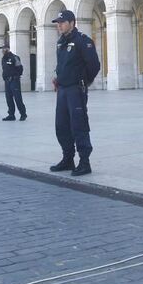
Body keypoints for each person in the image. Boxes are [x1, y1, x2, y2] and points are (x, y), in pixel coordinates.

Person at [48, 10, 101, 176]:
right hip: (62, 90)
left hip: (75, 90)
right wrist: (59, 78)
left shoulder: (83, 41)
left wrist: (83, 81)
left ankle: (85, 162)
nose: (59, 25)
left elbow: (94, 65)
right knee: (61, 126)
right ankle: (68, 158)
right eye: (57, 23)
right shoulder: (60, 42)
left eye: (62, 22)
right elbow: (63, 65)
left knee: (79, 125)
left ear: (72, 22)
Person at [0, 43, 27, 121]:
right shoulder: (3, 59)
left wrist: (16, 76)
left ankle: (23, 114)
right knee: (8, 99)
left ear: (8, 48)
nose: (2, 50)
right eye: (2, 49)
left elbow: (20, 68)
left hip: (14, 80)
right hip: (7, 81)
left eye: (4, 48)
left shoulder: (15, 57)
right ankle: (11, 115)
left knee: (18, 98)